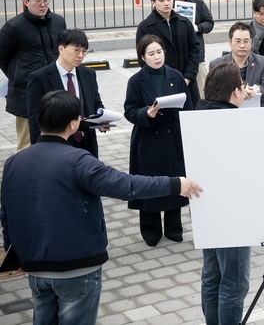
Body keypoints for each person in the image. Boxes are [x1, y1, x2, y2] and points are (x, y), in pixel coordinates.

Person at [0, 90, 202, 325]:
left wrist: (16, 255)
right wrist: (174, 183)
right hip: (77, 267)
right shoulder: (79, 160)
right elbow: (125, 185)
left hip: (35, 267)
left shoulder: (14, 162)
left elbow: (7, 212)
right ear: (74, 123)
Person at [124, 35, 194, 246]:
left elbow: (188, 106)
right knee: (149, 184)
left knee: (174, 181)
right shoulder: (136, 81)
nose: (157, 57)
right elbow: (129, 111)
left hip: (172, 138)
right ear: (142, 57)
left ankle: (174, 228)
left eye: (159, 52)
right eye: (151, 54)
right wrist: (146, 113)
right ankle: (151, 230)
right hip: (148, 139)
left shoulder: (176, 76)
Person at [197, 62, 251, 325]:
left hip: (205, 209)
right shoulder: (232, 123)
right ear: (234, 91)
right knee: (234, 281)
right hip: (232, 214)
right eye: (241, 86)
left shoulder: (200, 114)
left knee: (212, 274)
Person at [0, 0, 67, 152]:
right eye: (37, 0)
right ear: (26, 2)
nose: (43, 4)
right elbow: (3, 57)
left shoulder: (58, 21)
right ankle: (26, 176)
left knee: (58, 135)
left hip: (54, 88)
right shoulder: (13, 27)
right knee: (27, 143)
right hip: (25, 91)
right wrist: (18, 75)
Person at [27, 29, 108, 158]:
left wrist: (102, 121)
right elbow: (34, 119)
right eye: (76, 50)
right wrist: (38, 151)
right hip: (57, 146)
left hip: (87, 144)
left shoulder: (89, 74)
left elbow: (96, 104)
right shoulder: (39, 78)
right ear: (61, 49)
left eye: (84, 51)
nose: (80, 55)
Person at [136, 0, 201, 105]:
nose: (166, 3)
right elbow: (142, 57)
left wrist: (188, 77)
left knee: (189, 116)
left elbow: (195, 50)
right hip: (159, 83)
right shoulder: (145, 26)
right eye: (161, 0)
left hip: (186, 81)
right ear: (153, 3)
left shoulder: (184, 23)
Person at [170, 0, 215, 99]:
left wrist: (197, 27)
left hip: (196, 54)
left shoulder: (197, 2)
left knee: (203, 91)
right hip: (174, 57)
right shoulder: (166, 5)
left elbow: (210, 23)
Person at [210, 22, 264, 106]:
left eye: (246, 41)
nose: (242, 45)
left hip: (257, 111)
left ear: (251, 41)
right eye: (238, 41)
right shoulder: (216, 65)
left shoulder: (262, 62)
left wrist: (257, 90)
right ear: (229, 42)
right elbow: (213, 95)